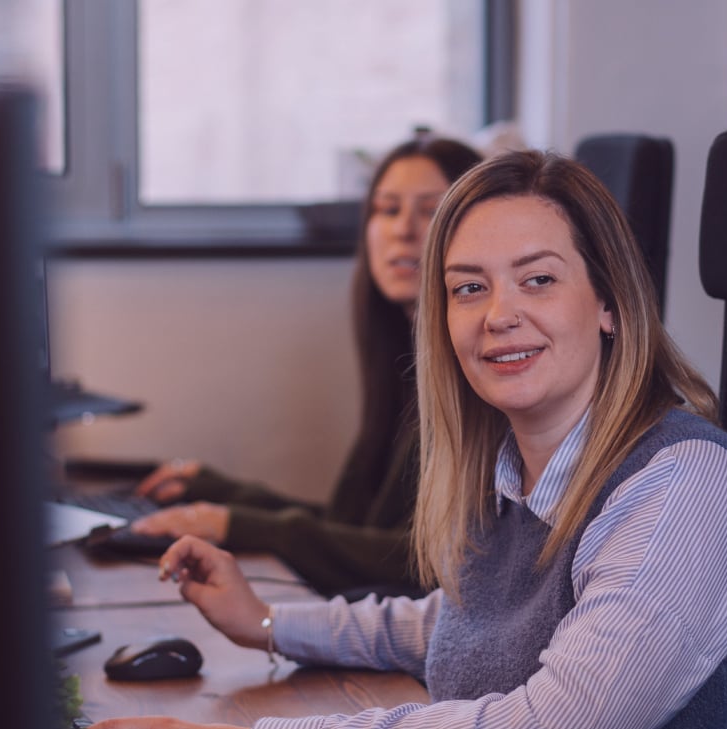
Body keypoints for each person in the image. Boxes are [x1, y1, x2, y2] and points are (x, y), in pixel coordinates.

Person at [84, 150, 727, 729]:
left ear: (610, 303)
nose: (499, 315)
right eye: (468, 289)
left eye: (538, 280)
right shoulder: (511, 472)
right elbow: (458, 622)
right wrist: (267, 623)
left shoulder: (680, 483)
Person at [126, 136, 482, 596]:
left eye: (430, 210)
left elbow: (420, 563)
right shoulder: (405, 360)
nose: (403, 230)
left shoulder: (475, 377)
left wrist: (232, 522)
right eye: (387, 210)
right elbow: (349, 528)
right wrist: (222, 497)